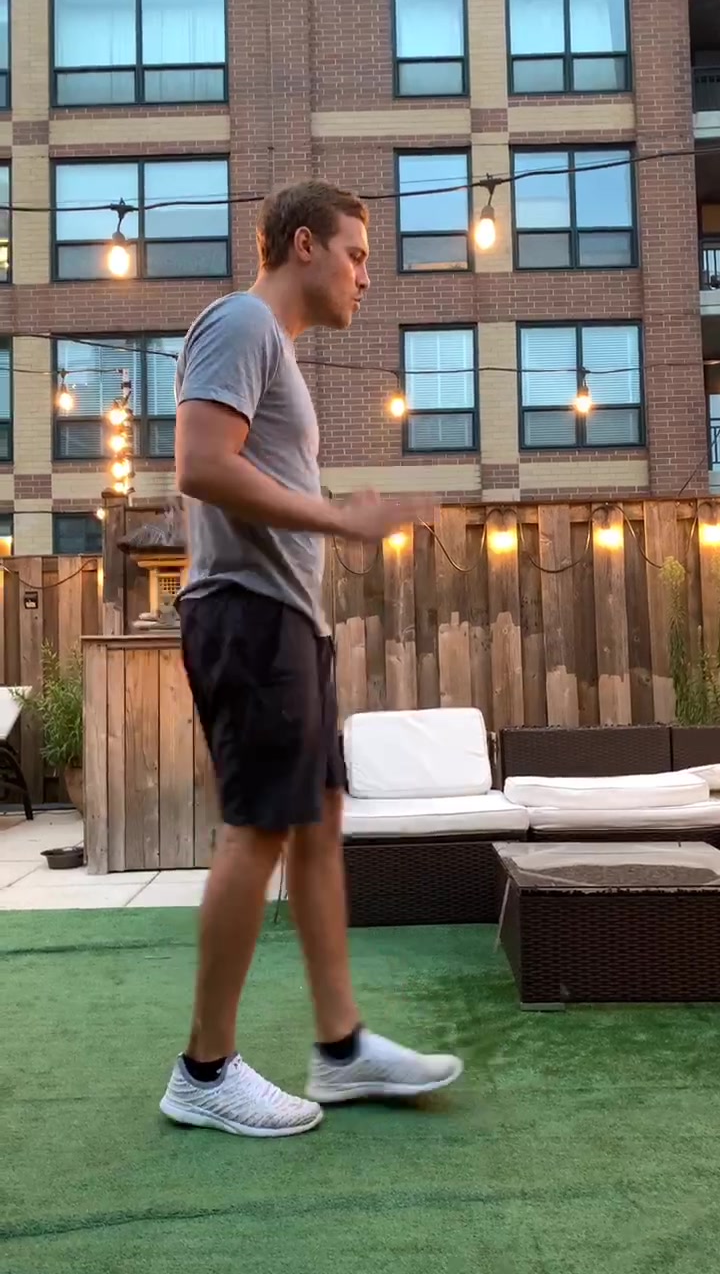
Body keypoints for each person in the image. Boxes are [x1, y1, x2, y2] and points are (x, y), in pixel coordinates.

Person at [159, 179, 463, 1139]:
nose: (366, 276)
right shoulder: (242, 323)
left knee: (320, 824)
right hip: (246, 614)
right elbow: (201, 464)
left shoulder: (274, 350)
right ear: (302, 244)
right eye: (356, 254)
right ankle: (204, 1070)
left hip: (288, 618)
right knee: (258, 830)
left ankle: (341, 1049)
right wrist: (338, 517)